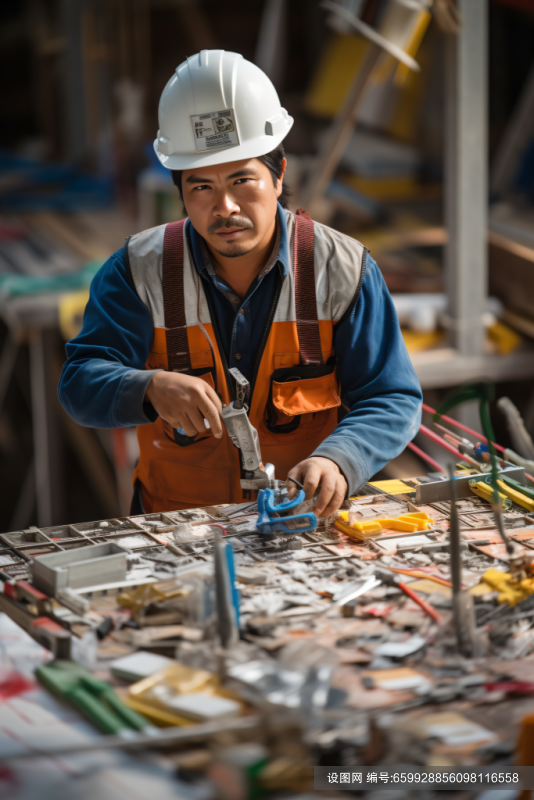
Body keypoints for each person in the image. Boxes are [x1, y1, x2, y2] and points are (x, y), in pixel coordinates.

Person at [58, 50, 422, 517]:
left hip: (300, 522)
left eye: (242, 179)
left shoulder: (344, 269)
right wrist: (146, 388)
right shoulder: (135, 271)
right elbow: (79, 384)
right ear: (181, 191)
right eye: (201, 187)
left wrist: (341, 458)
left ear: (279, 174)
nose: (224, 207)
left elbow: (391, 396)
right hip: (176, 532)